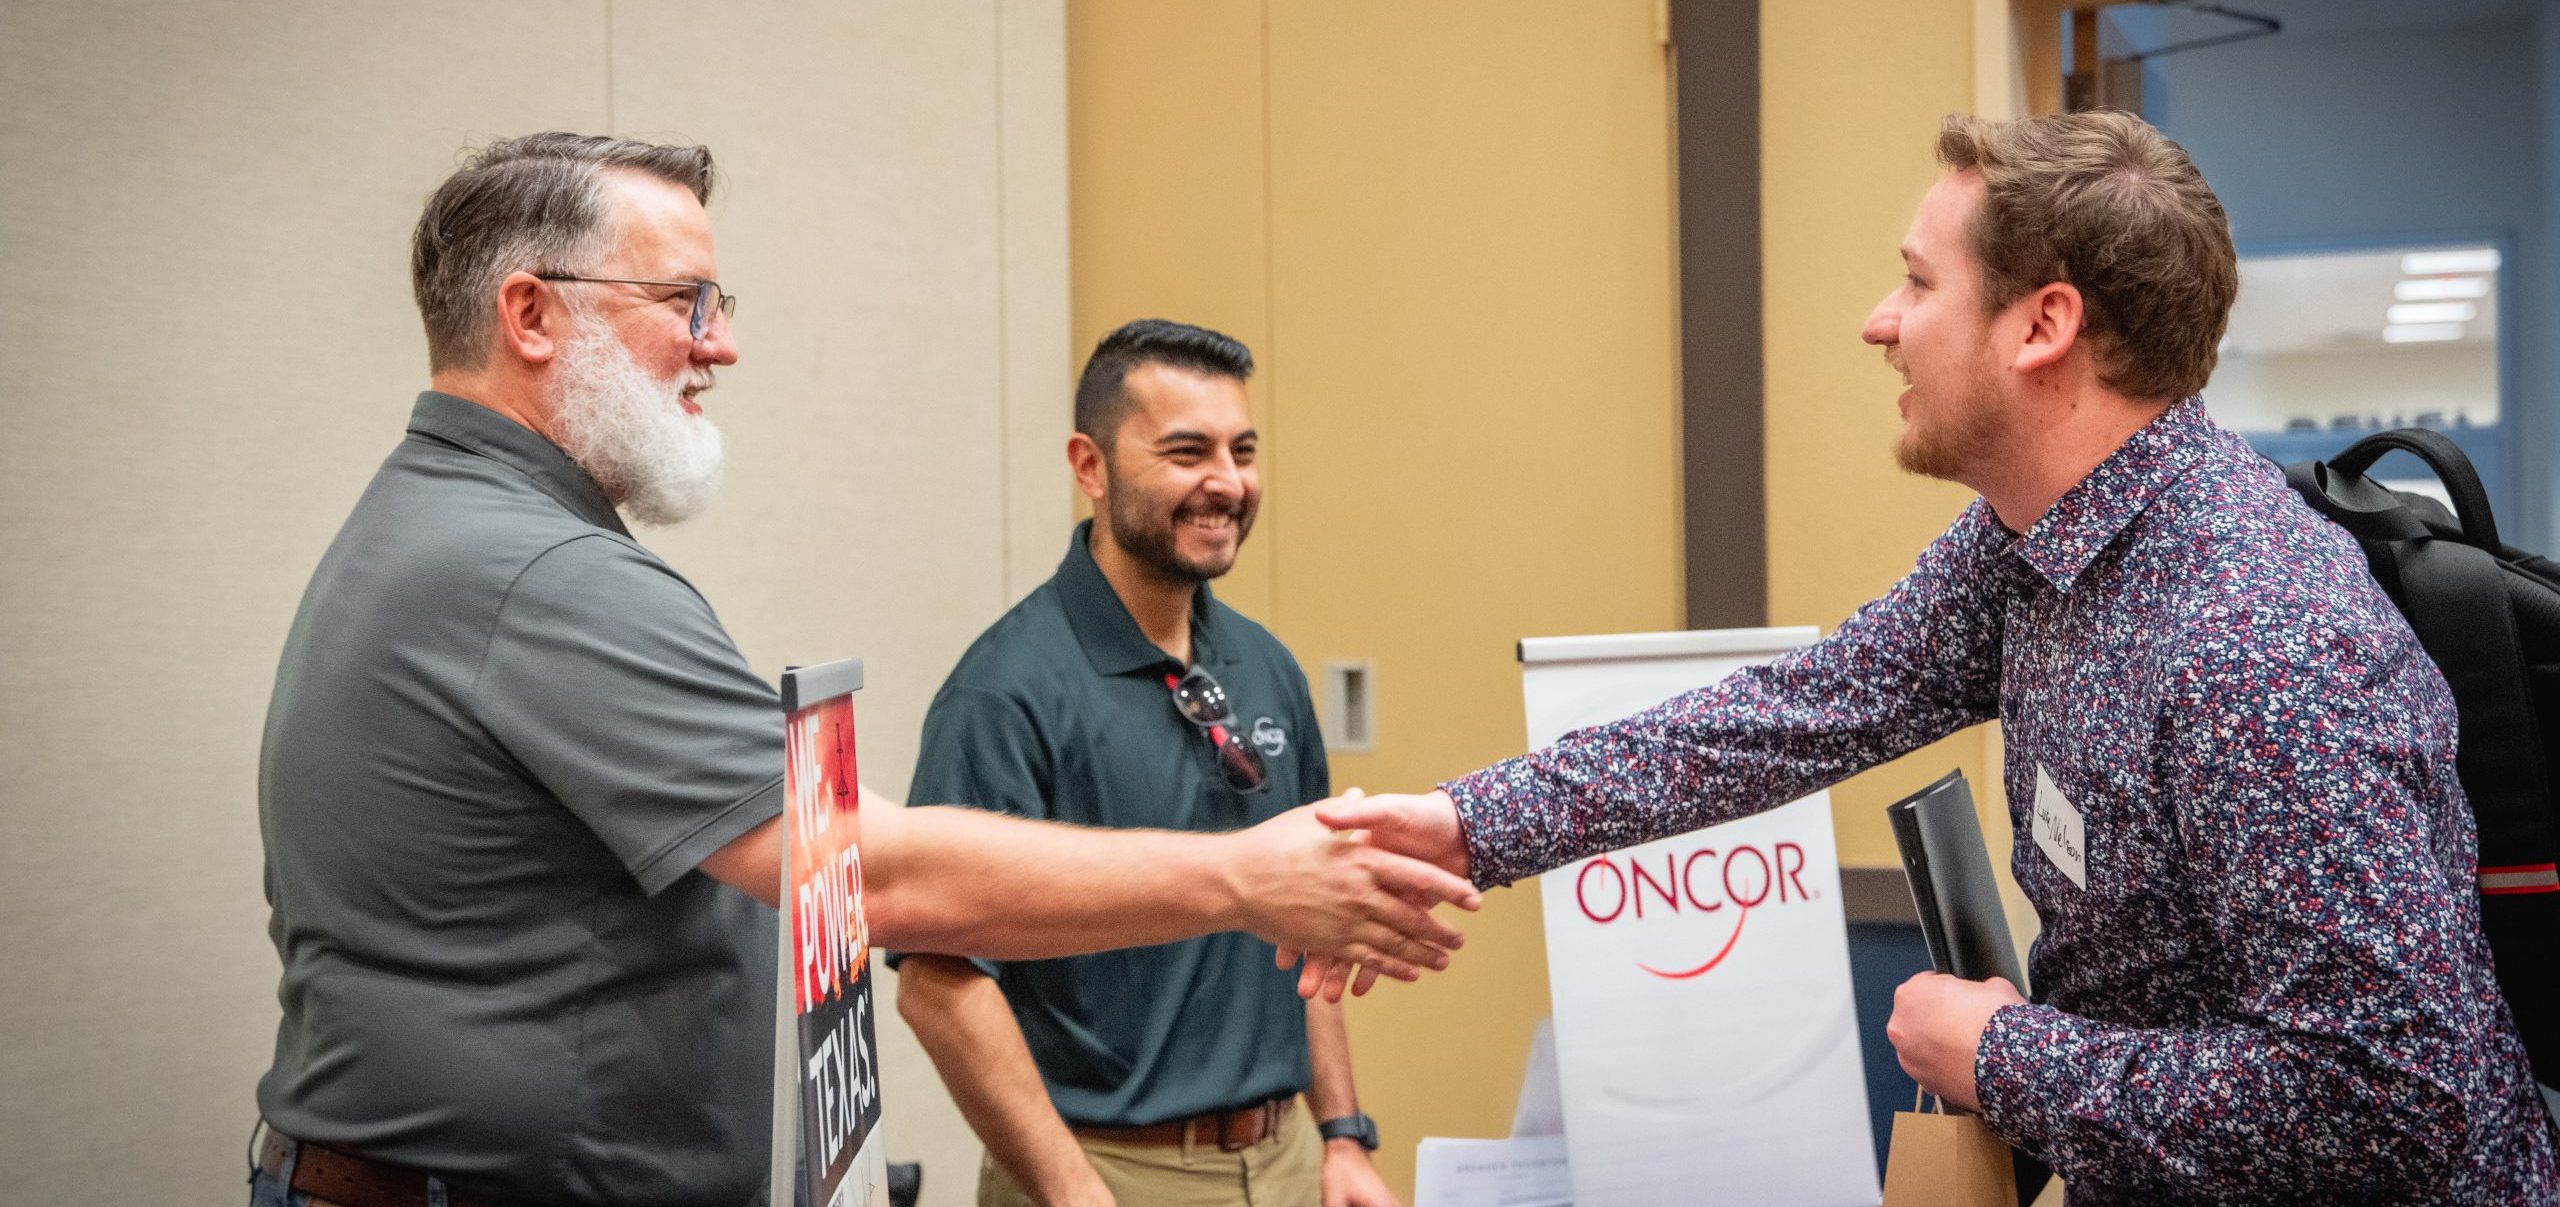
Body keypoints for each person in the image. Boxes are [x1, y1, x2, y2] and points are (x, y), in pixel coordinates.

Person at [1313, 111, 2560, 1204]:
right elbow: (1798, 711)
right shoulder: (2036, 544)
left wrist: (2003, 1053)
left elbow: (2386, 1096)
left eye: (1916, 283)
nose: (1879, 322)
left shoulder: (2259, 639)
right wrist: (1463, 824)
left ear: (2041, 325)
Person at [250, 133, 1477, 1207]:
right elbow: (860, 872)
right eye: (685, 300)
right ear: (530, 317)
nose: (719, 344)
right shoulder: (536, 573)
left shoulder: (448, 523)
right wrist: (1240, 876)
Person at [895, 320, 1397, 1207]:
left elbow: (1311, 926)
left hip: (1283, 1160)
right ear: (1090, 466)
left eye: (1243, 450)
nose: (1228, 483)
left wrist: (1341, 1136)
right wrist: (1072, 1189)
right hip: (1105, 1172)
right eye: (1187, 451)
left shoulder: (1265, 665)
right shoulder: (1004, 691)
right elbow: (939, 985)